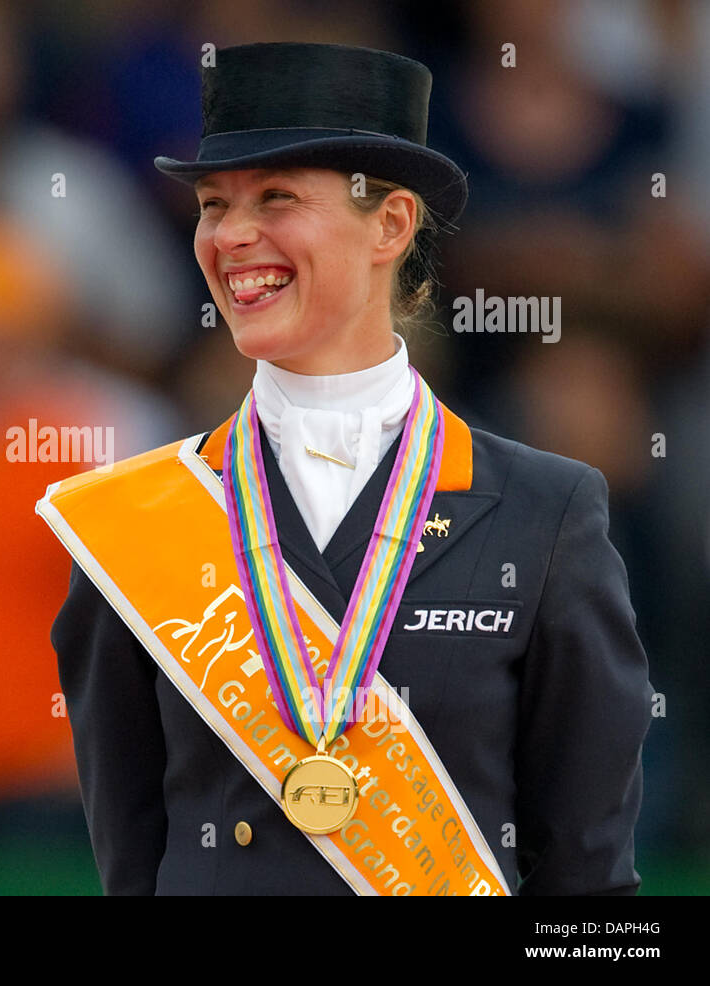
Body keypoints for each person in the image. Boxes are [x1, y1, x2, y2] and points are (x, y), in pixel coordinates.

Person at [37, 42, 652, 896]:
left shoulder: (547, 512)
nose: (231, 236)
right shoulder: (133, 520)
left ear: (392, 225)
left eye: (277, 198)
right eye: (214, 206)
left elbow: (590, 884)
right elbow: (131, 865)